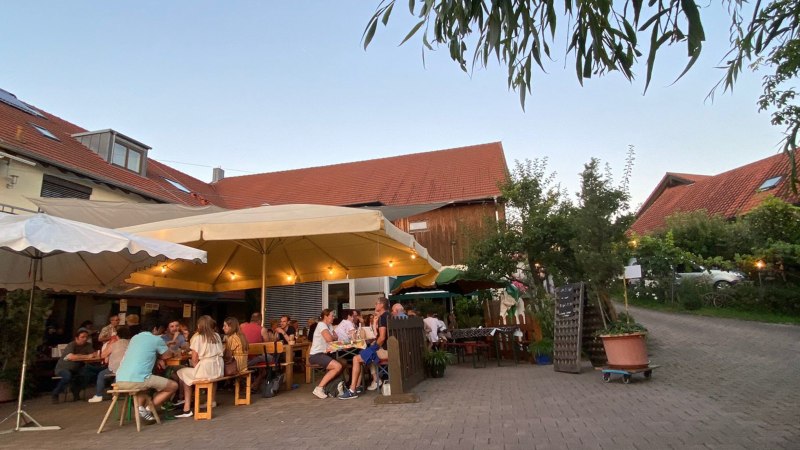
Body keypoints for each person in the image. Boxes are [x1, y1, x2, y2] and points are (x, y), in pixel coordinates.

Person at [114, 316, 178, 424]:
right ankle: (148, 409)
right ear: (154, 329)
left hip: (119, 379)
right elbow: (167, 356)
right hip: (138, 379)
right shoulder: (156, 339)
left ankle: (140, 408)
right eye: (161, 330)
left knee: (145, 387)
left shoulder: (135, 337)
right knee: (173, 386)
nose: (161, 333)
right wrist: (171, 351)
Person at [340, 297, 390, 399]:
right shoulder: (390, 316)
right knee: (364, 354)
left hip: (386, 351)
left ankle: (352, 390)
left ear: (381, 305)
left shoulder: (383, 317)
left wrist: (373, 348)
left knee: (356, 358)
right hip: (392, 348)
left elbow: (382, 337)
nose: (375, 305)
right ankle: (366, 383)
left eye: (376, 303)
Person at [175, 315, 224, 418]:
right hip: (218, 368)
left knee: (183, 373)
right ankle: (212, 401)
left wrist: (197, 367)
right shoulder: (217, 336)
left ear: (199, 325)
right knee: (211, 378)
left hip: (206, 368)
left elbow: (194, 359)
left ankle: (187, 407)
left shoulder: (198, 337)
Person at [51, 329, 99, 403]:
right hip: (64, 368)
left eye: (86, 337)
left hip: (77, 368)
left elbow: (94, 355)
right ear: (77, 338)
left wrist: (83, 356)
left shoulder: (88, 345)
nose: (85, 339)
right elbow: (70, 357)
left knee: (88, 374)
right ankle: (55, 393)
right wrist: (86, 356)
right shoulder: (72, 345)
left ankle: (76, 392)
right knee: (67, 376)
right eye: (82, 337)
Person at [88, 326, 131, 402]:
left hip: (114, 368)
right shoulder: (131, 343)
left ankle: (99, 395)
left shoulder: (114, 344)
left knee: (101, 375)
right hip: (128, 369)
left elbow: (103, 355)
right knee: (117, 376)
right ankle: (115, 395)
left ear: (117, 336)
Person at [309, 309, 343, 399]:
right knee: (337, 366)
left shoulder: (329, 325)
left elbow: (336, 337)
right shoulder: (321, 325)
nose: (333, 317)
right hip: (316, 355)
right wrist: (332, 337)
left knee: (344, 363)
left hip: (326, 354)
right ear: (326, 317)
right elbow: (329, 339)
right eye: (332, 315)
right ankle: (319, 388)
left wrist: (333, 337)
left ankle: (333, 388)